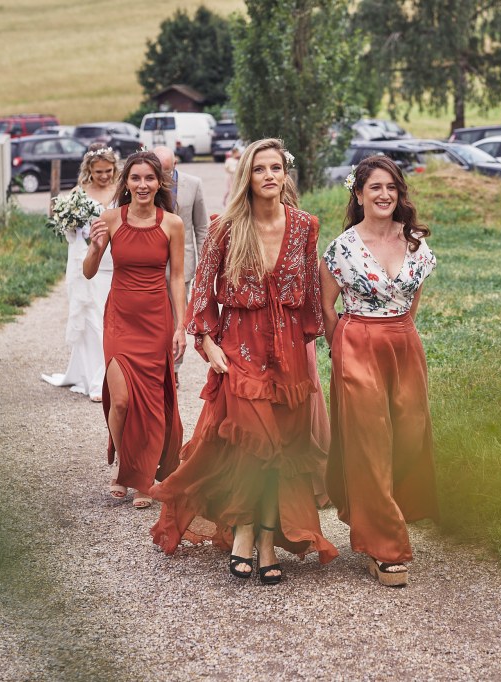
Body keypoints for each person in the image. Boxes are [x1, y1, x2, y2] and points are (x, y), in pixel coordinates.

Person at [150, 138, 337, 584]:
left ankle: (267, 541)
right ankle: (245, 530)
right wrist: (208, 342)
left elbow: (312, 294)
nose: (269, 175)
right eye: (259, 169)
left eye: (276, 168)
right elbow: (202, 291)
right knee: (257, 443)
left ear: (285, 175)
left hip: (288, 354)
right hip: (239, 348)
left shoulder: (305, 226)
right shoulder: (226, 227)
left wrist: (313, 345)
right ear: (246, 177)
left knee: (282, 449)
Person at [319, 155, 438, 587]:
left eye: (391, 187)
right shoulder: (342, 248)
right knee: (369, 443)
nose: (384, 195)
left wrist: (401, 331)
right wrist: (342, 348)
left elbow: (413, 297)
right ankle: (385, 548)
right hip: (357, 344)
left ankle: (382, 511)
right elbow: (326, 306)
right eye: (375, 187)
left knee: (408, 436)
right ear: (358, 194)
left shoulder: (416, 243)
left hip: (404, 343)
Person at [83, 151, 185, 509]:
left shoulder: (172, 224)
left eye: (149, 178)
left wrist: (181, 325)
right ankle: (126, 466)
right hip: (120, 318)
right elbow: (89, 272)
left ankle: (140, 479)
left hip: (156, 321)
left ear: (159, 183)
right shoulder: (110, 218)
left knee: (152, 405)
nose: (143, 185)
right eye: (136, 178)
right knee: (122, 400)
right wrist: (95, 248)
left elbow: (176, 278)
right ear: (126, 182)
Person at [40, 144, 118, 402]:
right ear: (89, 170)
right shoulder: (78, 194)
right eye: (99, 171)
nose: (104, 176)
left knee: (111, 319)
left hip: (115, 262)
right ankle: (96, 379)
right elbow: (66, 230)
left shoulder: (121, 190)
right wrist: (77, 232)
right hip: (88, 261)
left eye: (108, 170)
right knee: (92, 320)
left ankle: (109, 375)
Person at [152, 146, 209, 389]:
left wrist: (204, 263)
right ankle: (154, 365)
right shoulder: (146, 183)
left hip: (182, 263)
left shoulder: (193, 184)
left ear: (175, 165)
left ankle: (174, 369)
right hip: (151, 261)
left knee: (178, 317)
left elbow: (201, 227)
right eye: (158, 171)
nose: (162, 176)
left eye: (166, 171)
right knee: (154, 317)